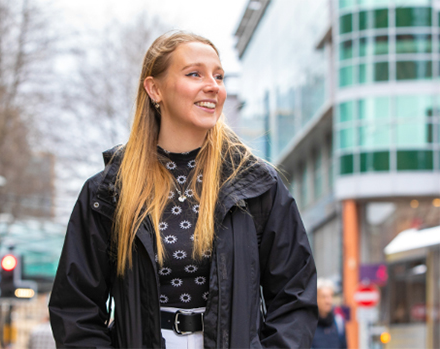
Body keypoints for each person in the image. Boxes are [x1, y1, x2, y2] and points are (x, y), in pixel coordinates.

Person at [49, 30, 318, 348]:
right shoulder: (107, 193)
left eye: (218, 76)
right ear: (154, 89)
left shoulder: (258, 186)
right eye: (194, 74)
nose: (213, 86)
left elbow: (295, 296)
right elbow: (75, 309)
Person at [312, 279, 347, 349]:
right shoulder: (308, 324)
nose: (328, 301)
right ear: (315, 298)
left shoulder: (339, 322)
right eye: (324, 297)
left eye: (330, 296)